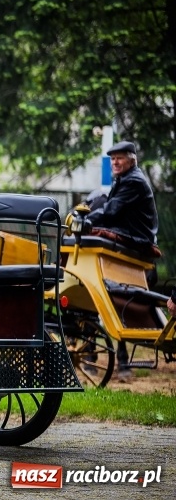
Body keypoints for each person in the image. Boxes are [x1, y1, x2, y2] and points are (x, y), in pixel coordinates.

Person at [83, 140, 159, 381]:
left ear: (131, 159)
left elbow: (110, 211)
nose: (115, 162)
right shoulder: (124, 179)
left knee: (88, 233)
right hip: (130, 232)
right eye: (113, 159)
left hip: (136, 237)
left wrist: (84, 220)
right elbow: (110, 210)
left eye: (120, 158)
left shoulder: (133, 181)